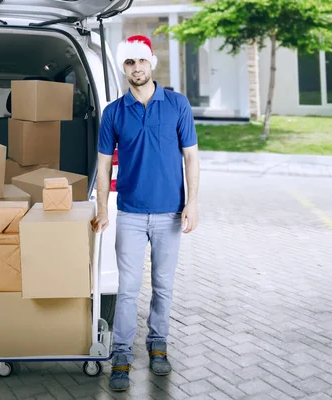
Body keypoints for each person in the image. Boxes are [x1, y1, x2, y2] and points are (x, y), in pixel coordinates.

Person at [91, 34, 200, 392]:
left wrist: (193, 203)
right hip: (131, 214)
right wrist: (101, 207)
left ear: (151, 62)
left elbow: (191, 157)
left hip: (170, 212)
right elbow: (104, 164)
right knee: (128, 289)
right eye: (129, 63)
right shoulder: (114, 112)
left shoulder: (177, 104)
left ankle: (158, 345)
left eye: (141, 61)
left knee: (164, 286)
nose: (136, 68)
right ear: (123, 67)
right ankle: (121, 353)